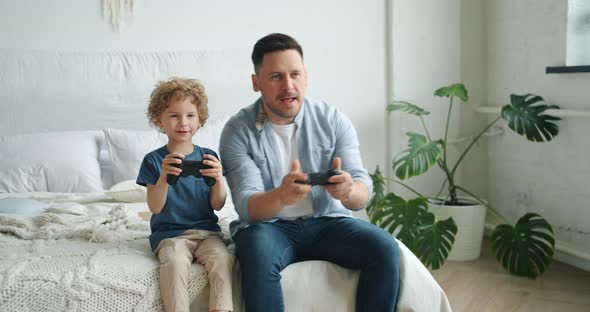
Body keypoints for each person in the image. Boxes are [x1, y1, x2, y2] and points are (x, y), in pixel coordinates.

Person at [219, 33, 400, 311]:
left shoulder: (333, 120)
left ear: (306, 76)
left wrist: (349, 190)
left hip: (328, 222)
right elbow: (247, 207)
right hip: (269, 228)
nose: (288, 85)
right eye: (276, 76)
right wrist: (281, 196)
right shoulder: (236, 131)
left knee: (386, 249)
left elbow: (362, 192)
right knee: (257, 250)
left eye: (295, 74)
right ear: (256, 83)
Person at [137, 78, 234, 312]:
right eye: (174, 116)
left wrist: (219, 178)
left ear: (200, 120)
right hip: (171, 234)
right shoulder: (153, 160)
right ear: (158, 120)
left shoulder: (209, 156)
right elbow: (155, 208)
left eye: (190, 115)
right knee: (174, 262)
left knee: (223, 260)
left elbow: (218, 205)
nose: (183, 122)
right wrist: (163, 177)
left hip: (207, 233)